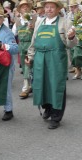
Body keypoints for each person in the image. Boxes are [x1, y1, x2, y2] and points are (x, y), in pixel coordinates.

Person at [26, 0, 77, 129]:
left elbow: (71, 44)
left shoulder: (64, 22)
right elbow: (34, 41)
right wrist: (30, 56)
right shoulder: (39, 21)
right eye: (47, 7)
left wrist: (71, 37)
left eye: (52, 7)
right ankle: (47, 108)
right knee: (41, 84)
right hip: (40, 58)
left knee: (56, 86)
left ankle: (56, 116)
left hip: (56, 59)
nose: (49, 9)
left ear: (58, 9)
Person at [12, 0, 37, 99]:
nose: (25, 8)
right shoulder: (17, 21)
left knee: (28, 65)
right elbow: (13, 34)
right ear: (20, 9)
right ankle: (31, 85)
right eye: (23, 7)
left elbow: (40, 30)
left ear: (30, 8)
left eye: (27, 6)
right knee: (24, 66)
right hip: (21, 46)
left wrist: (34, 27)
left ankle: (25, 88)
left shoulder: (35, 19)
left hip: (32, 45)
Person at [67, 0, 82, 79]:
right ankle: (78, 71)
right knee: (75, 56)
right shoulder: (69, 15)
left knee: (79, 55)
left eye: (74, 7)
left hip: (80, 36)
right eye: (71, 7)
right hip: (74, 38)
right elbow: (69, 26)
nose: (72, 8)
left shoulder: (80, 12)